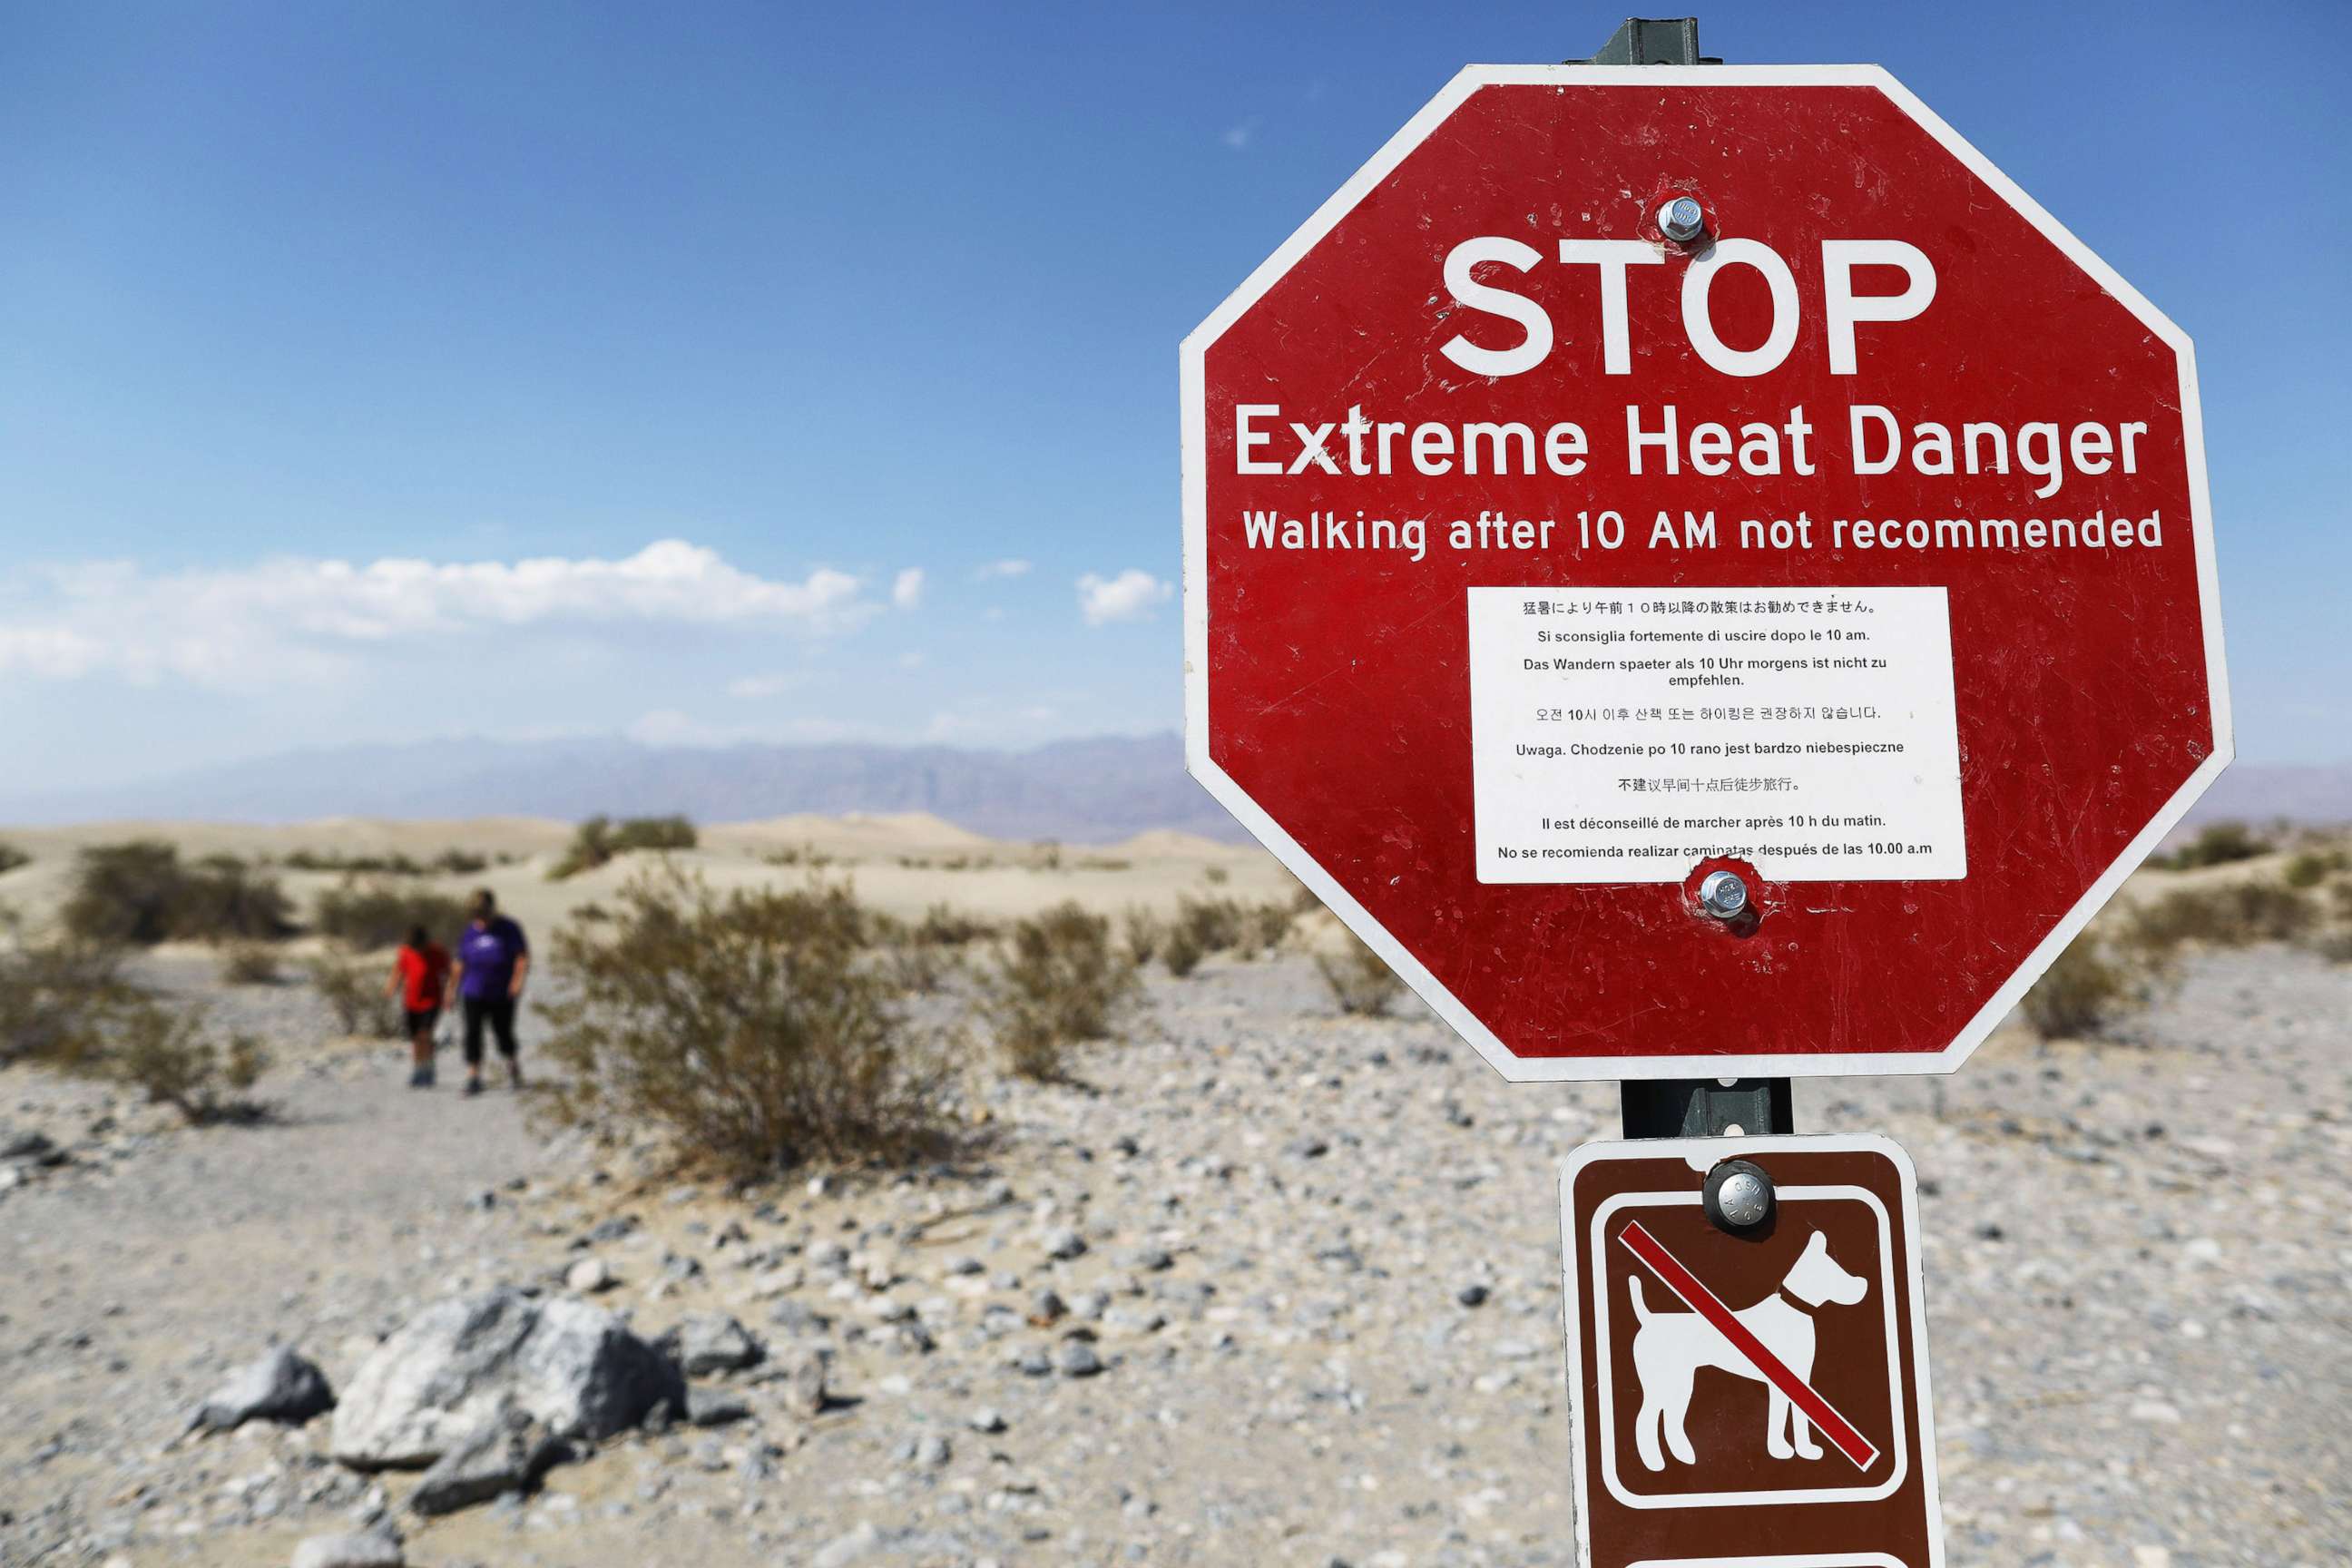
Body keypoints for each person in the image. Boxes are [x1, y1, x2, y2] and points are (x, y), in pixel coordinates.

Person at [449, 889, 530, 1096]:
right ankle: (473, 1075)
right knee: (473, 1032)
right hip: (473, 990)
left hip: (501, 991)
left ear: (492, 909)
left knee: (503, 1032)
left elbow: (521, 957)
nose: (481, 920)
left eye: (484, 914)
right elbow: (460, 962)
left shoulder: (508, 928)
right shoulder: (469, 932)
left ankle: (512, 1066)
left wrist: (518, 980)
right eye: (477, 915)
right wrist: (450, 990)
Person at [385, 924, 451, 1089]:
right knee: (415, 1038)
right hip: (411, 1001)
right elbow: (399, 969)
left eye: (419, 947)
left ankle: (427, 1068)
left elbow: (450, 972)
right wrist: (392, 987)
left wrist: (450, 992)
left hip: (432, 1000)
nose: (417, 950)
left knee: (425, 1034)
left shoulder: (437, 952)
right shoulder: (406, 951)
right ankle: (417, 1069)